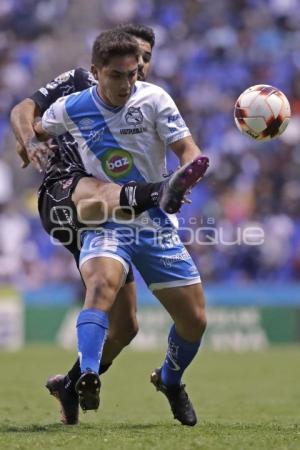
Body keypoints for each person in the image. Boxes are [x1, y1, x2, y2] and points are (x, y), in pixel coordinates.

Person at [11, 25, 208, 425]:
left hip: (153, 225)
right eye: (119, 73)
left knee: (185, 321)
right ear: (96, 71)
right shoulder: (74, 101)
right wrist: (29, 142)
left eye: (136, 70)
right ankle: (86, 373)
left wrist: (190, 169)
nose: (129, 80)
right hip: (97, 215)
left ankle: (169, 379)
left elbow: (190, 151)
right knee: (101, 283)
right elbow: (29, 118)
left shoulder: (155, 100)